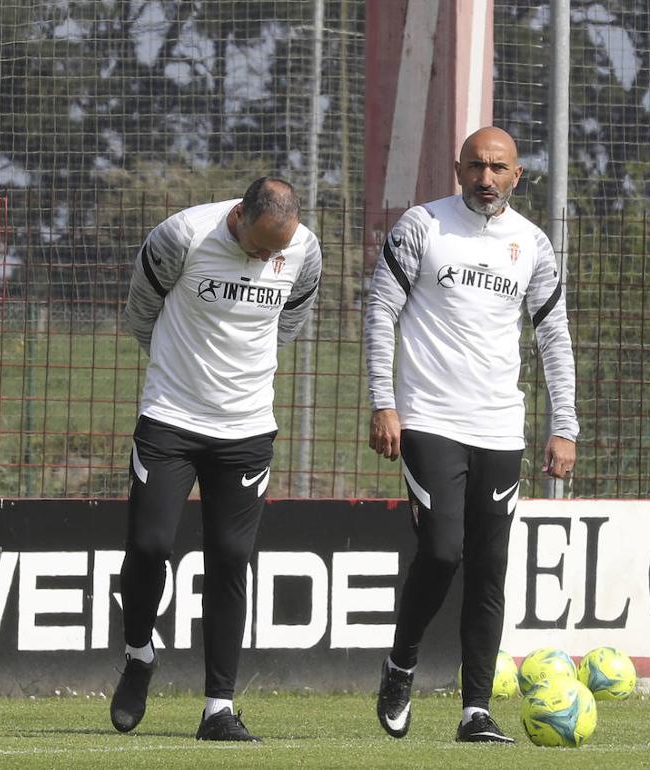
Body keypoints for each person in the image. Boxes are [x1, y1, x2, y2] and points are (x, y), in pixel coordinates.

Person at [364, 126, 578, 743]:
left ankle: (475, 711)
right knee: (441, 551)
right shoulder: (421, 226)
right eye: (476, 166)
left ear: (517, 176)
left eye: (499, 169)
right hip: (428, 417)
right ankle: (401, 662)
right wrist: (384, 402)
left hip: (499, 427)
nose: (486, 179)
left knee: (489, 566)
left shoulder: (532, 244)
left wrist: (564, 425)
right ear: (458, 168)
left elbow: (553, 337)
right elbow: (381, 310)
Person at [110, 177, 322, 741]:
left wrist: (242, 378)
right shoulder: (182, 235)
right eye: (258, 247)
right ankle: (138, 654)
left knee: (231, 558)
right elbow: (139, 313)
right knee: (150, 545)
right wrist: (182, 376)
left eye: (275, 251)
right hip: (170, 419)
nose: (265, 259)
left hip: (248, 430)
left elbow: (290, 321)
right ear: (238, 217)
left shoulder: (302, 249)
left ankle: (218, 709)